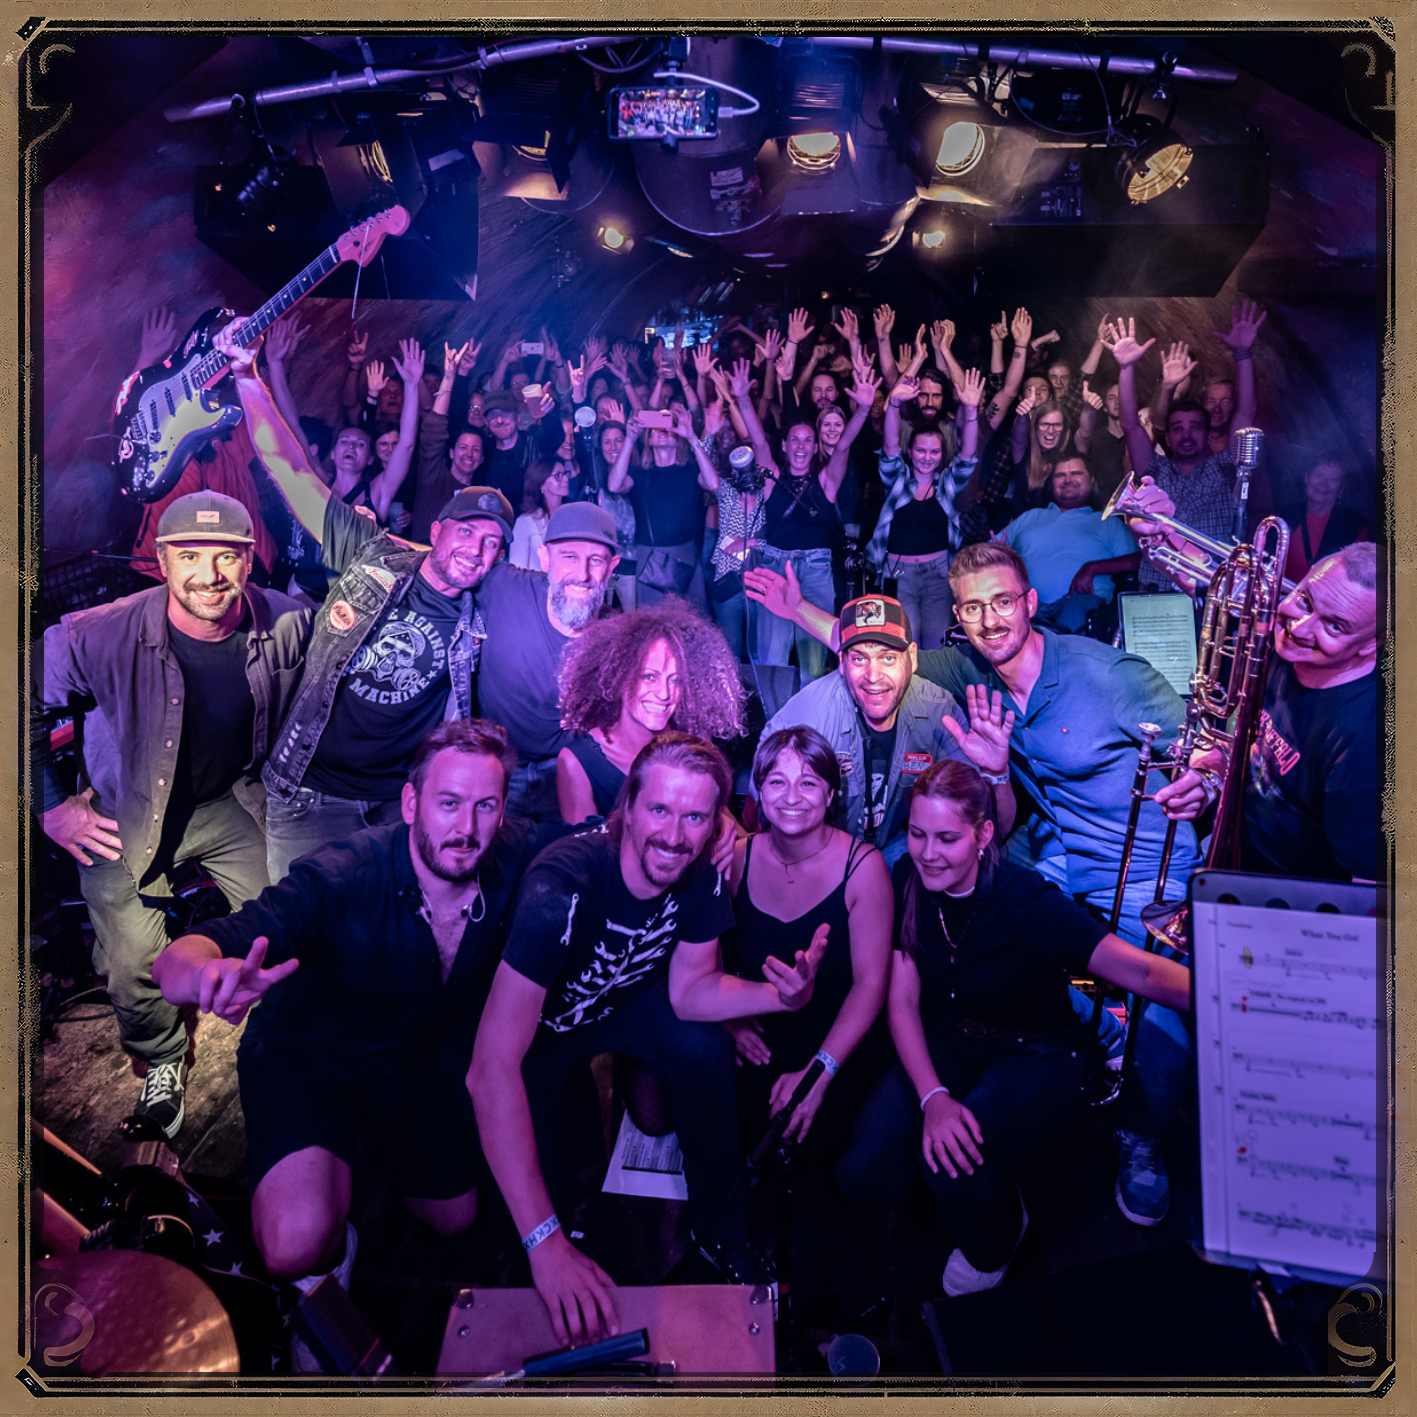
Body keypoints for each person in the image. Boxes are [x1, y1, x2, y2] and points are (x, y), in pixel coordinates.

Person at [150, 721, 555, 1363]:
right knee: (294, 1241)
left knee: (456, 1218)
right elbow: (177, 960)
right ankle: (325, 1248)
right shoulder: (342, 875)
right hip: (316, 1069)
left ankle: (358, 1192)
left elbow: (602, 844)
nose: (468, 827)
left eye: (486, 805)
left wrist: (720, 834)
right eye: (450, 803)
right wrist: (207, 975)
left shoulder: (512, 856)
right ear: (412, 803)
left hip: (414, 1069)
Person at [469, 735, 829, 1344]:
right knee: (551, 1175)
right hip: (545, 1034)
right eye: (660, 811)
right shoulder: (560, 887)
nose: (674, 834)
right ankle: (539, 1251)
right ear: (628, 809)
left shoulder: (698, 876)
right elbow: (489, 1069)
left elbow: (691, 992)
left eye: (694, 817)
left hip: (630, 1002)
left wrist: (782, 997)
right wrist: (544, 1243)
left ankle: (722, 1232)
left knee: (701, 1049)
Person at [836, 761, 1190, 1296]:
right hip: (948, 1041)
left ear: (982, 835)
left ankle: (999, 1238)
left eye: (948, 838)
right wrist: (932, 1096)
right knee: (861, 1167)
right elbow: (903, 1000)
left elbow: (1135, 968)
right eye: (917, 834)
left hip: (1032, 1052)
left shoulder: (1026, 899)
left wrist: (1234, 996)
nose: (928, 853)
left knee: (951, 1161)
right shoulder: (906, 880)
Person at [36, 491, 311, 1136]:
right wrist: (51, 807)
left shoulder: (289, 623)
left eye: (226, 557)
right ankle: (161, 1057)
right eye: (189, 555)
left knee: (293, 920)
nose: (208, 575)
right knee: (133, 957)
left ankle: (293, 1042)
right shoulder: (97, 632)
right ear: (161, 561)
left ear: (250, 561)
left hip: (232, 801)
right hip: (125, 811)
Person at [208, 320, 516, 878]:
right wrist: (245, 373)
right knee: (299, 943)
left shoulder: (485, 609)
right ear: (439, 530)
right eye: (468, 532)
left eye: (493, 543)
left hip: (397, 807)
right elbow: (289, 468)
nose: (478, 549)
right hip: (310, 791)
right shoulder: (372, 550)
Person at [726, 727, 893, 1157]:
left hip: (838, 1046)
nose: (792, 796)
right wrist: (730, 1022)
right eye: (777, 782)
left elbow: (871, 985)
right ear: (759, 791)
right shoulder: (737, 861)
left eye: (809, 782)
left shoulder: (863, 867)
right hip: (757, 1043)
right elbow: (712, 963)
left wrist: (820, 1072)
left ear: (831, 793)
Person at [759, 594, 1016, 866]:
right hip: (827, 850)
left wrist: (997, 773)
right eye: (859, 659)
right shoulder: (812, 714)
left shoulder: (938, 710)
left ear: (913, 658)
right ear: (843, 663)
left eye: (888, 658)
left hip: (900, 848)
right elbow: (768, 806)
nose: (873, 676)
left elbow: (990, 827)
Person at [728, 356, 877, 679]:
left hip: (816, 570)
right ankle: (776, 725)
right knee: (772, 658)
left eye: (807, 440)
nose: (800, 446)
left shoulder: (826, 481)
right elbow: (757, 440)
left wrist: (863, 409)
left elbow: (844, 446)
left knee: (813, 662)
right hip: (774, 567)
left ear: (815, 447)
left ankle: (811, 726)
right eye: (794, 440)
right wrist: (741, 397)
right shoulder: (771, 476)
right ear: (785, 445)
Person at [556, 601, 746, 822]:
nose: (664, 693)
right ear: (618, 676)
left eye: (676, 681)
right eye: (649, 677)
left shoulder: (693, 747)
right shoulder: (578, 761)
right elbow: (582, 851)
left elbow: (724, 828)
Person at [1103, 316, 1242, 592]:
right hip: (1157, 588)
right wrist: (1127, 367)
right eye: (1178, 428)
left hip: (1211, 591)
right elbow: (1130, 424)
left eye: (1195, 427)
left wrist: (1244, 355)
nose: (1187, 435)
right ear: (1167, 436)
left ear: (1207, 432)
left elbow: (1245, 414)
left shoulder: (1225, 468)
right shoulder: (1156, 469)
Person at [866, 368, 983, 652]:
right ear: (911, 452)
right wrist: (893, 403)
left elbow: (967, 454)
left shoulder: (947, 484)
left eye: (934, 452)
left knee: (935, 648)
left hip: (938, 574)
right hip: (899, 574)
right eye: (921, 451)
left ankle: (933, 698)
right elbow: (890, 445)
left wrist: (970, 410)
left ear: (942, 455)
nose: (927, 457)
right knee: (906, 644)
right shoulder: (897, 479)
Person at [996, 456, 1139, 632]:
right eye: (1060, 475)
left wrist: (1092, 568)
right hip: (1026, 606)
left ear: (1091, 480)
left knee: (1073, 620)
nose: (1068, 480)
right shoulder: (1030, 517)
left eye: (1076, 473)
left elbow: (1136, 561)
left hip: (1080, 606)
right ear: (1051, 483)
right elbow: (991, 552)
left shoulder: (1106, 522)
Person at [1280, 451, 1370, 585]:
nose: (1324, 483)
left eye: (1333, 479)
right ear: (1307, 478)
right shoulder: (1284, 516)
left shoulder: (1355, 527)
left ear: (1341, 488)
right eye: (1319, 475)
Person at [510, 461, 572, 570]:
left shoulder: (571, 517)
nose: (566, 479)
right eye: (558, 476)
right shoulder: (525, 522)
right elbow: (516, 570)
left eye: (566, 474)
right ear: (541, 485)